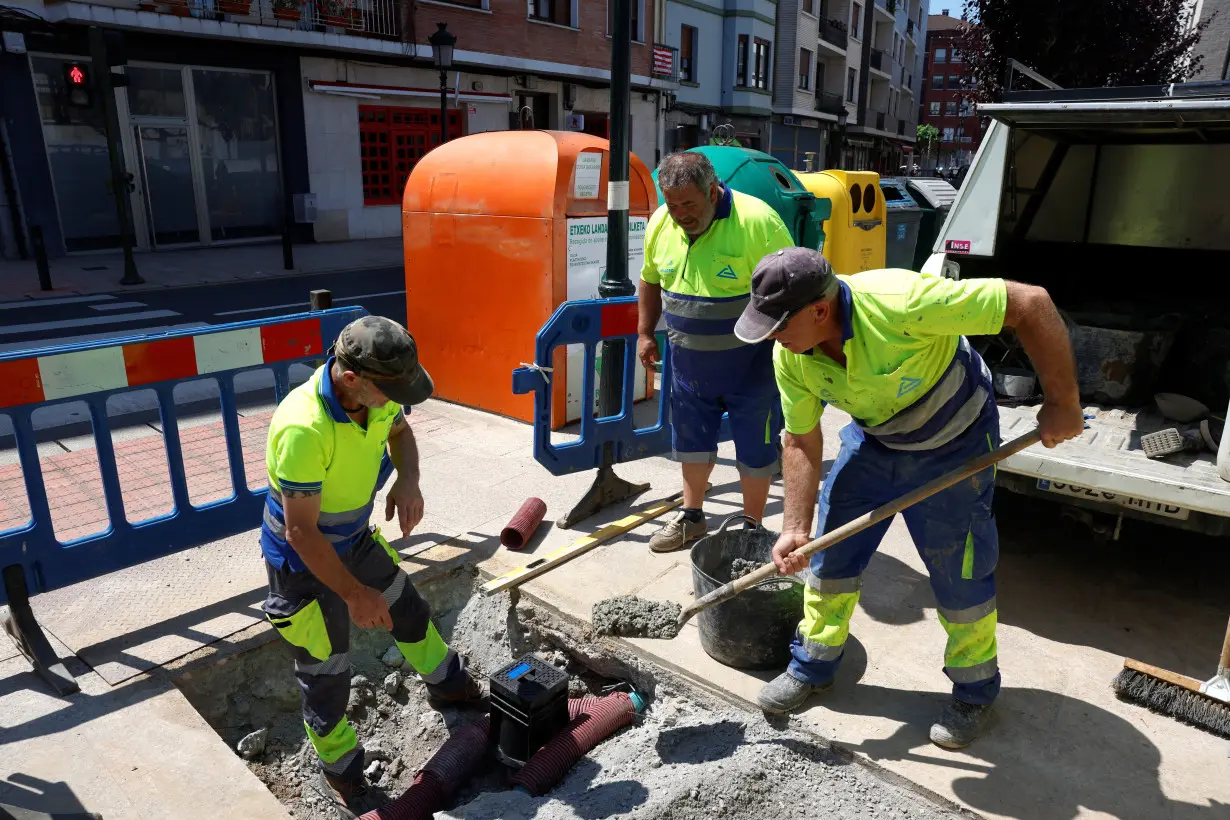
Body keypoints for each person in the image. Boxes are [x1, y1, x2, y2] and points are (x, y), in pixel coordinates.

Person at [735, 248, 1083, 748]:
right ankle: (812, 665)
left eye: (777, 323)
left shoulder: (903, 303)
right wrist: (794, 527)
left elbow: (1031, 302)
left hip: (955, 444)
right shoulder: (790, 355)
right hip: (876, 441)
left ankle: (975, 691)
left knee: (959, 573)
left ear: (819, 310)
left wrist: (1062, 402)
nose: (771, 336)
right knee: (828, 556)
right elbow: (801, 439)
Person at [259, 316, 484, 816]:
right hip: (303, 561)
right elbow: (301, 532)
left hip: (355, 540)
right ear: (350, 377)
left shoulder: (375, 399)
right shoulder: (303, 427)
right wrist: (353, 594)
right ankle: (341, 769)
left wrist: (408, 480)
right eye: (391, 390)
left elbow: (400, 433)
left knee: (407, 606)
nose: (396, 400)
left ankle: (449, 686)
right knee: (326, 667)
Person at [637, 151, 795, 551]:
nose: (680, 214)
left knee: (755, 450)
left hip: (751, 370)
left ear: (712, 191)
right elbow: (650, 280)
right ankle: (692, 518)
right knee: (691, 443)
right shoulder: (660, 222)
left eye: (689, 204)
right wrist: (644, 333)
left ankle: (752, 529)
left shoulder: (757, 222)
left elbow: (791, 289)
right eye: (672, 204)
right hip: (689, 367)